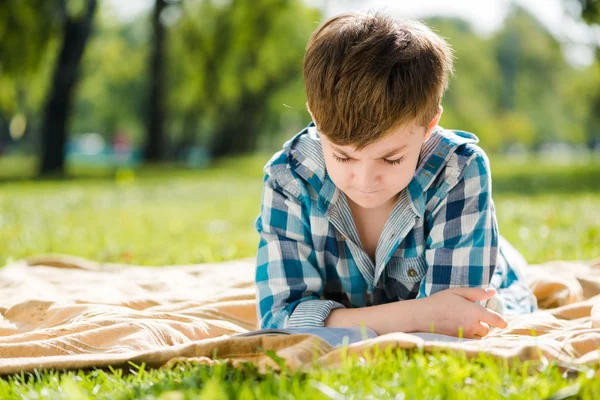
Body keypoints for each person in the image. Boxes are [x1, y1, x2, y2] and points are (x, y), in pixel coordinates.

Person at [254, 11, 537, 339]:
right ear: (315, 117)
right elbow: (278, 320)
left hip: (490, 263)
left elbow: (461, 318)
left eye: (390, 159)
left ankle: (504, 250)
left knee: (505, 271)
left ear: (430, 124)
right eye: (343, 156)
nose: (363, 179)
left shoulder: (459, 170)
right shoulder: (288, 178)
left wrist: (331, 321)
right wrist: (422, 312)